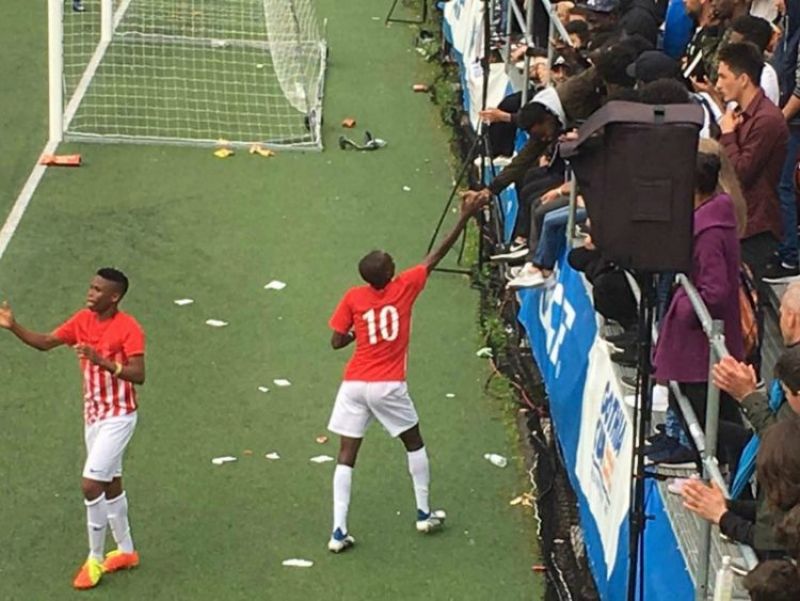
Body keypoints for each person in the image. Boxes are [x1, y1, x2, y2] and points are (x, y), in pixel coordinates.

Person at [325, 194, 486, 553]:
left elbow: (336, 341)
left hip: (353, 384)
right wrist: (463, 217)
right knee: (413, 442)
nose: (395, 262)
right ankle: (424, 511)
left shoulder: (353, 297)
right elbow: (436, 255)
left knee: (347, 454)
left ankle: (338, 531)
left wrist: (355, 332)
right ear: (387, 274)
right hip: (387, 385)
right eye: (390, 262)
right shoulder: (405, 287)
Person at [0, 268, 145, 589]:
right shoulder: (82, 320)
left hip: (119, 417)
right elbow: (46, 343)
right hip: (93, 417)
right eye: (90, 287)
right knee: (111, 483)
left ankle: (94, 559)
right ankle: (126, 551)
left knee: (91, 484)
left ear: (114, 296)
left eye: (97, 290)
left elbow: (139, 374)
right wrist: (14, 327)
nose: (90, 293)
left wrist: (102, 361)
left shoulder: (128, 328)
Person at [650, 150, 745, 465]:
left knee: (713, 420)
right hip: (701, 346)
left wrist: (685, 314)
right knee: (711, 416)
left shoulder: (707, 232)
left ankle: (729, 487)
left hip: (702, 348)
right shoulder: (713, 220)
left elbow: (715, 291)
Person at [715, 42, 789, 282]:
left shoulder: (767, 120)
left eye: (723, 76)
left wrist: (727, 134)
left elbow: (739, 173)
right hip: (738, 220)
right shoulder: (739, 116)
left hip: (757, 226)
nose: (717, 84)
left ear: (743, 79)